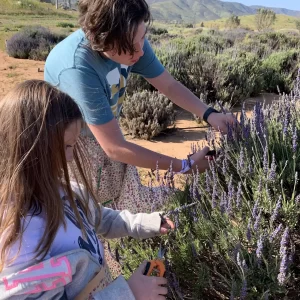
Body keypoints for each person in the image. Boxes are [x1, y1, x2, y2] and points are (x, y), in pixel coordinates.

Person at [44, 0, 233, 212]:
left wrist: (209, 114)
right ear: (103, 40)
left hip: (109, 134)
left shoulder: (130, 40)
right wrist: (184, 166)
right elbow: (114, 147)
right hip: (75, 147)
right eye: (133, 46)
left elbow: (168, 85)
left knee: (130, 208)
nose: (141, 51)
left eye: (143, 38)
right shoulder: (77, 67)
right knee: (97, 216)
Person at [0, 80, 174, 300]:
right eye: (66, 146)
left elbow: (102, 219)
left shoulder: (68, 193)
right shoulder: (21, 235)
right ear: (32, 146)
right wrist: (128, 294)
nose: (71, 157)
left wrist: (145, 223)